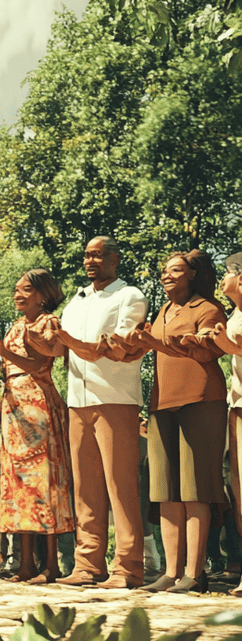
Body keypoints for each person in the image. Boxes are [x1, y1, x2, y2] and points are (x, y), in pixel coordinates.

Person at [116, 250, 228, 593]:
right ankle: (170, 571)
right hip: (162, 404)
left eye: (176, 270)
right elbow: (152, 346)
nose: (167, 275)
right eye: (165, 271)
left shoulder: (208, 309)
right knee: (165, 491)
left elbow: (206, 350)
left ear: (192, 274)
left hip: (200, 401)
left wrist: (157, 342)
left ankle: (194, 573)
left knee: (195, 489)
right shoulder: (163, 311)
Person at [53, 236, 147, 589]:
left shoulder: (130, 296)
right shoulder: (76, 301)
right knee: (85, 488)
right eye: (86, 255)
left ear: (114, 259)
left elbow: (113, 348)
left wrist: (66, 340)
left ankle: (128, 568)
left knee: (121, 486)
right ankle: (88, 564)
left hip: (115, 399)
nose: (90, 261)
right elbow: (61, 348)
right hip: (78, 400)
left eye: (97, 255)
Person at [0, 269, 75, 583]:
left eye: (26, 289)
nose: (17, 294)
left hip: (37, 404)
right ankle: (26, 563)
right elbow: (5, 361)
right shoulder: (16, 325)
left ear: (43, 295)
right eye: (16, 289)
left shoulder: (47, 323)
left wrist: (3, 352)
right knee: (17, 484)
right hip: (13, 405)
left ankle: (51, 564)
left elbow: (41, 365)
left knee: (43, 482)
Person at [207, 252, 242, 597]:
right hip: (236, 406)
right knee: (237, 492)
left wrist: (225, 344)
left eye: (227, 272)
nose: (222, 279)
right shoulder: (234, 314)